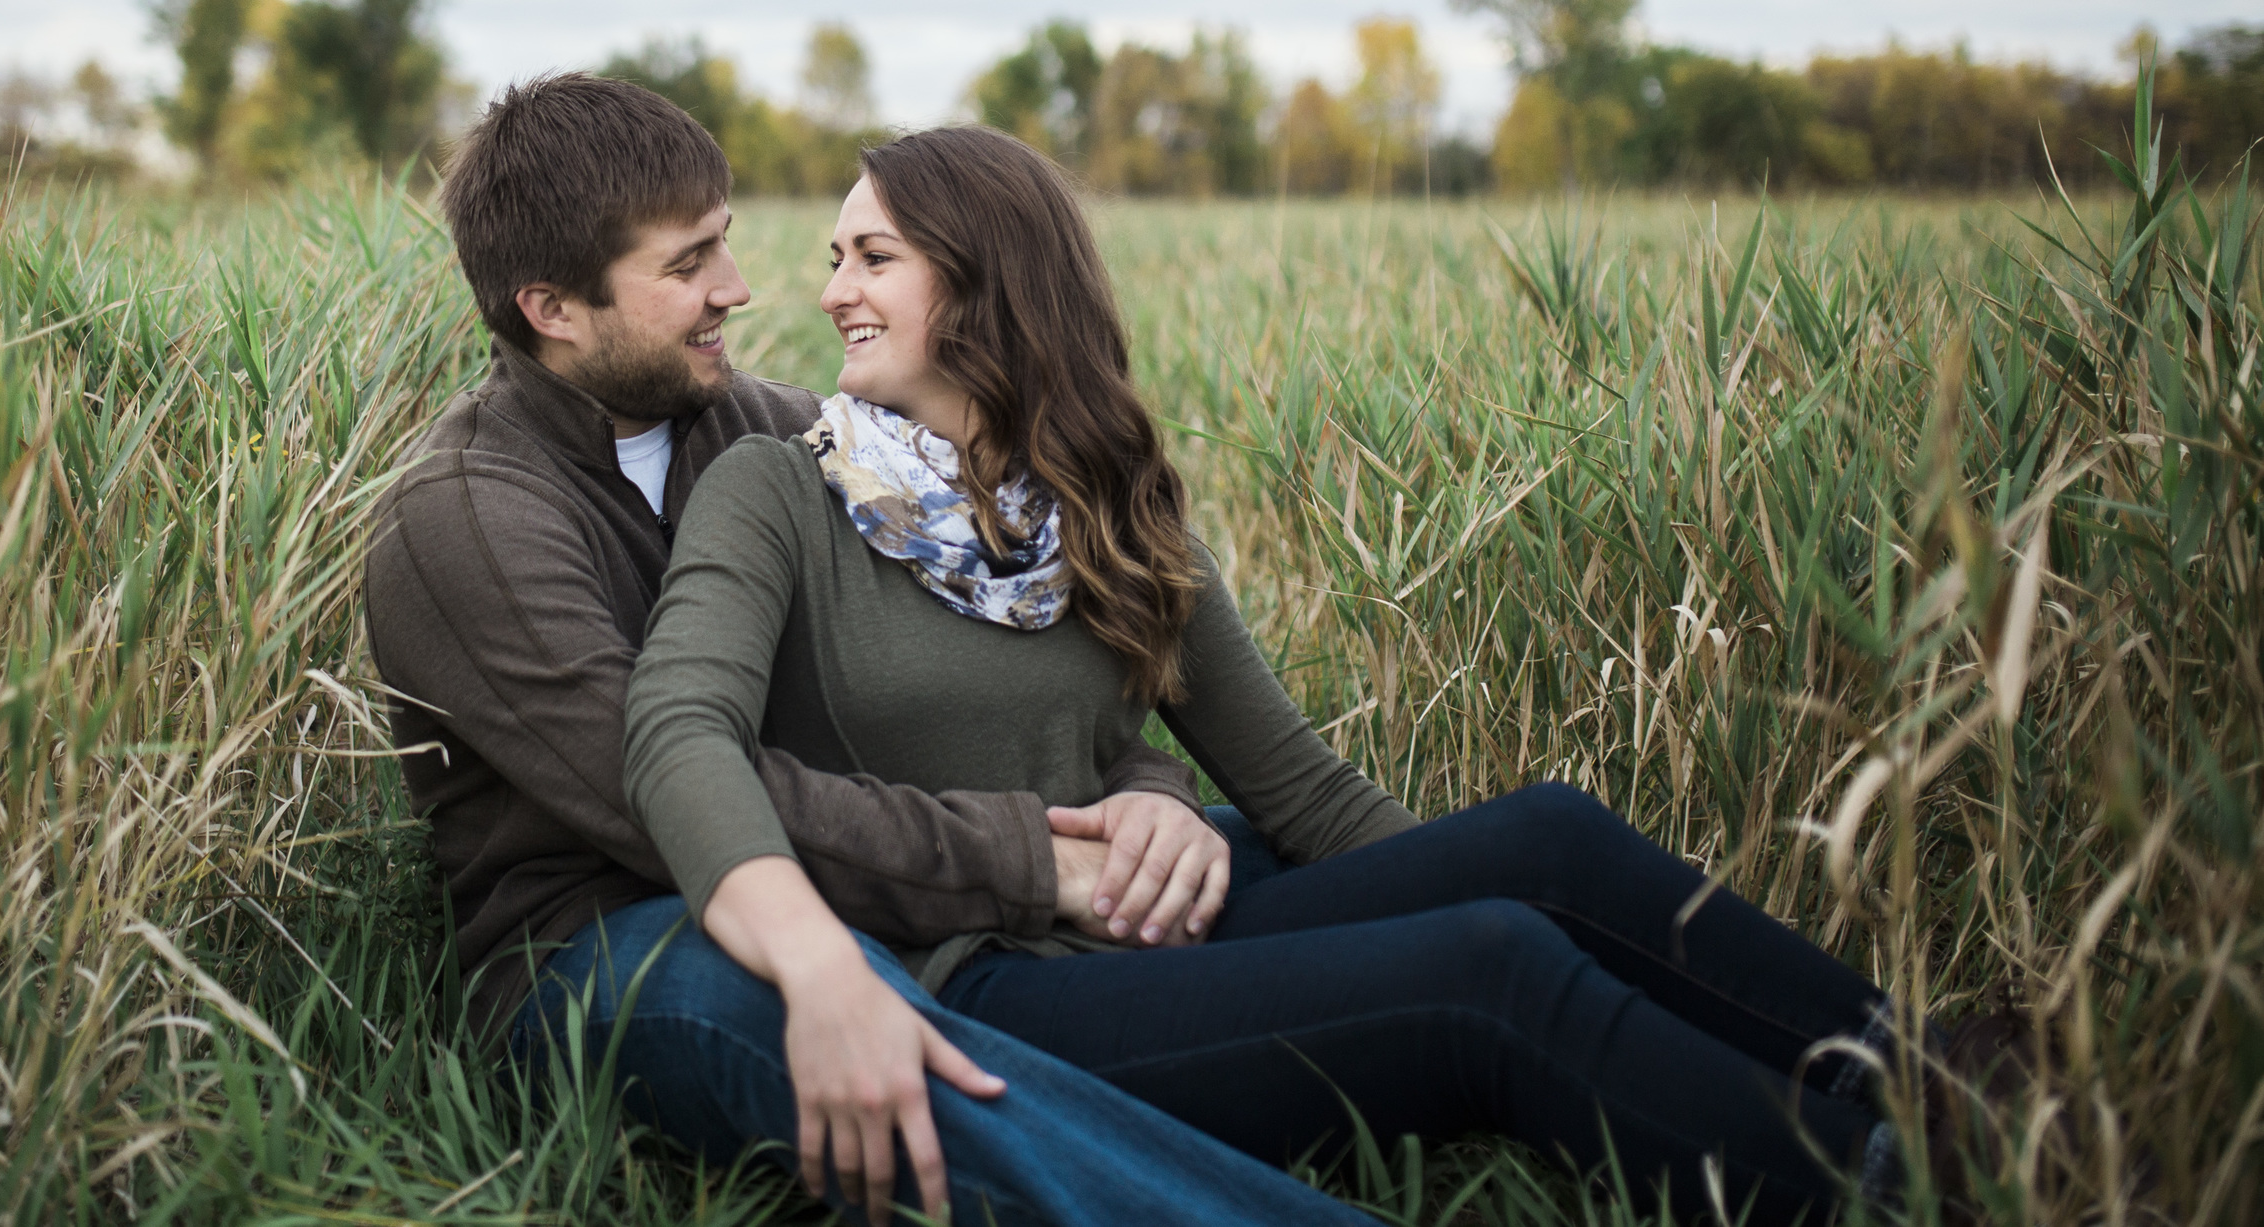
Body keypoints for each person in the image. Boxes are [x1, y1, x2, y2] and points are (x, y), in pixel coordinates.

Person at [624, 124, 1923, 1225]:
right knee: (1485, 968)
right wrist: (817, 967)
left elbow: (1303, 791)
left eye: (875, 257)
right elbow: (681, 728)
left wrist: (1405, 888)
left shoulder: (1106, 506)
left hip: (1137, 926)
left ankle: (1937, 1087)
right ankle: (1890, 1184)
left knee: (1545, 844)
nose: (833, 289)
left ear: (987, 282)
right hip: (986, 978)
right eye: (835, 258)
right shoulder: (780, 487)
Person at [366, 73, 1379, 1227]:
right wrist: (1032, 861)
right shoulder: (463, 520)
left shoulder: (779, 428)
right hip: (604, 941)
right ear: (551, 306)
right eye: (687, 264)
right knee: (871, 1030)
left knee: (1225, 866)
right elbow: (663, 796)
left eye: (725, 246)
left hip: (859, 890)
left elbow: (1010, 647)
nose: (737, 292)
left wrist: (1147, 792)